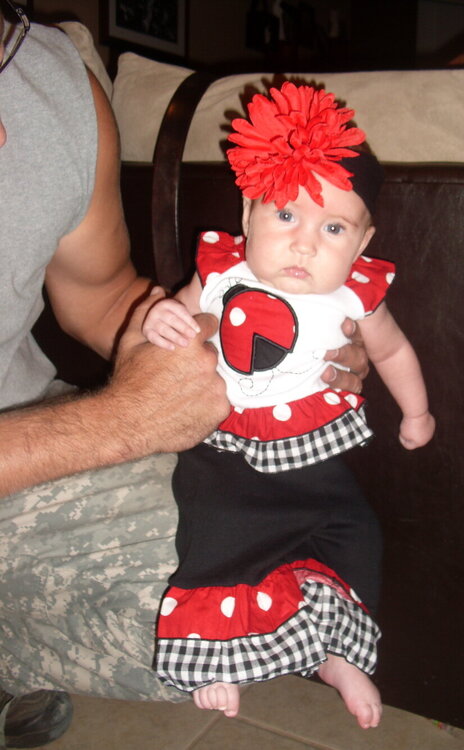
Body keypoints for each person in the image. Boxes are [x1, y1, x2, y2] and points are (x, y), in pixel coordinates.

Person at [0, 8, 367, 747]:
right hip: (53, 439)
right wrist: (116, 422)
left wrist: (249, 358)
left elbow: (102, 295)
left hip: (27, 426)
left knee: (257, 558)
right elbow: (114, 420)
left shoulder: (51, 76)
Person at [143, 82, 435, 729]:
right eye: (285, 216)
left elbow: (393, 353)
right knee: (216, 543)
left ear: (361, 244)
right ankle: (220, 658)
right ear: (248, 212)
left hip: (314, 459)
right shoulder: (222, 271)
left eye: (332, 227)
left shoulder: (356, 295)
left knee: (354, 532)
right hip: (223, 453)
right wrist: (164, 315)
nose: (305, 244)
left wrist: (416, 411)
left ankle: (333, 651)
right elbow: (177, 314)